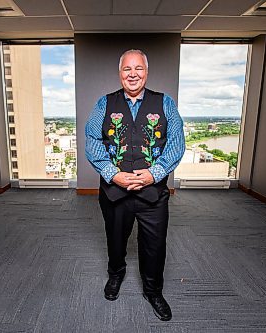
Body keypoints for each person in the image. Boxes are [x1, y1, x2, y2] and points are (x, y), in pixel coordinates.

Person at [85, 49, 185, 321]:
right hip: (115, 192)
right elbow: (93, 141)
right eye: (127, 69)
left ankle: (153, 291)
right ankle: (116, 275)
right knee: (115, 241)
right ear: (120, 73)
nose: (133, 74)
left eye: (138, 68)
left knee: (155, 244)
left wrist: (156, 172)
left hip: (153, 193)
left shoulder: (165, 103)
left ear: (146, 72)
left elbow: (176, 143)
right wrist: (111, 173)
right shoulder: (103, 104)